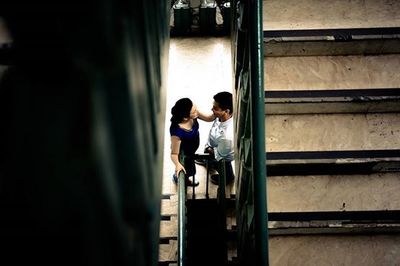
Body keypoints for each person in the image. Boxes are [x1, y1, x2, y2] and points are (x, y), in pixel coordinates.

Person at [198, 91, 234, 185]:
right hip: (214, 146)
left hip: (222, 156)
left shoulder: (228, 135)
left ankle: (228, 177)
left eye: (215, 108)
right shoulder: (220, 115)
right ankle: (208, 160)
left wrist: (209, 149)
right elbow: (209, 118)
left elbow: (220, 154)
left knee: (220, 163)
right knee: (209, 154)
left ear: (226, 111)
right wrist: (195, 113)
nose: (212, 109)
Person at [170, 98, 200, 187]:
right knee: (187, 170)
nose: (197, 112)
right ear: (185, 117)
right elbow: (174, 154)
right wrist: (177, 165)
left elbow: (209, 118)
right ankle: (178, 178)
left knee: (190, 168)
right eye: (194, 111)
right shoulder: (177, 132)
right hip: (184, 154)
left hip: (191, 150)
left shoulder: (193, 115)